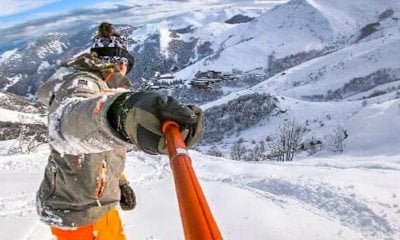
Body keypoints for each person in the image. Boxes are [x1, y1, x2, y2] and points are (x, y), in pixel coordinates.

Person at [35, 22, 204, 240]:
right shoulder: (82, 82)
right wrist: (122, 115)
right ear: (120, 63)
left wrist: (119, 182)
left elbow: (101, 148)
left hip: (100, 204)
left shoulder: (106, 87)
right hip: (77, 214)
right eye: (127, 64)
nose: (127, 72)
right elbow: (68, 122)